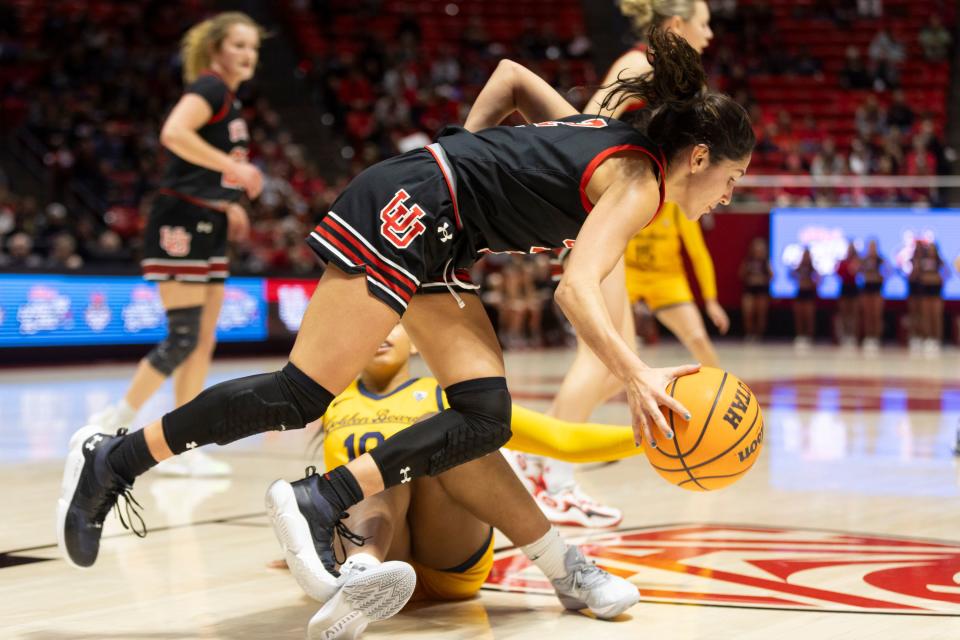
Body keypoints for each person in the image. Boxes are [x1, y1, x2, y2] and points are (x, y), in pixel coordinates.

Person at [57, 30, 754, 625]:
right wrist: (636, 374)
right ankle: (113, 461)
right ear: (698, 157)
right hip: (413, 205)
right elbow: (576, 289)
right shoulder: (640, 182)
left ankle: (321, 497)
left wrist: (465, 150)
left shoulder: (606, 136)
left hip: (445, 230)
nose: (729, 195)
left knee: (484, 417)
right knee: (302, 394)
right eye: (732, 179)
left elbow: (511, 78)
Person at [511, 0, 721, 529]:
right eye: (704, 21)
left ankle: (534, 457)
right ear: (676, 26)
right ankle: (545, 472)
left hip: (611, 215)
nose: (711, 32)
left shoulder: (657, 72)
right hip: (593, 212)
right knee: (608, 361)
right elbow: (585, 130)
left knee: (620, 363)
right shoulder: (639, 65)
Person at [299, 323, 650, 637]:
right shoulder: (333, 403)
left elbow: (560, 438)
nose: (381, 333)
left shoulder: (448, 394)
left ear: (418, 340)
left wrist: (650, 438)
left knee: (456, 432)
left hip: (450, 551)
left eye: (395, 324)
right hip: (379, 545)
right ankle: (360, 578)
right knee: (374, 468)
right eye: (372, 327)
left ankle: (566, 570)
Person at [84, 12, 264, 477]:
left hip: (208, 216)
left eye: (253, 47)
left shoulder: (230, 100)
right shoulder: (207, 88)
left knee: (204, 338)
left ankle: (180, 444)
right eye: (238, 45)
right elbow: (173, 133)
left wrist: (228, 202)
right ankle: (112, 423)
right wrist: (236, 169)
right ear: (215, 51)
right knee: (184, 335)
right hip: (180, 219)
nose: (248, 55)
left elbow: (204, 169)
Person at [739, 237, 772, 341]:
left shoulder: (766, 263)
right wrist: (750, 277)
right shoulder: (748, 261)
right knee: (748, 313)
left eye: (761, 249)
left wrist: (762, 279)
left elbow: (772, 276)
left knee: (760, 314)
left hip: (761, 291)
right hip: (749, 290)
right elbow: (740, 274)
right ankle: (749, 333)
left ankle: (759, 335)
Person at [917, 242, 947, 354]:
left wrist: (935, 278)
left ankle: (937, 339)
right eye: (929, 249)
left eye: (933, 249)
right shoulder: (922, 262)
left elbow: (946, 275)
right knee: (926, 316)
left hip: (936, 294)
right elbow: (918, 276)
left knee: (936, 316)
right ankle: (927, 338)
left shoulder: (940, 262)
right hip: (925, 293)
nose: (931, 251)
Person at [859, 239, 885, 352]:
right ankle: (868, 337)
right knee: (867, 314)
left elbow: (888, 271)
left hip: (877, 291)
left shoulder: (881, 259)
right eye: (870, 246)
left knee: (876, 314)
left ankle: (876, 337)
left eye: (874, 246)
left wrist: (879, 277)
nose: (872, 248)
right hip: (866, 290)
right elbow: (857, 271)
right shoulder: (864, 260)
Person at [791, 247, 818, 349]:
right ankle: (800, 335)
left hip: (809, 294)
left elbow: (818, 280)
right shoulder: (799, 267)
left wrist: (812, 283)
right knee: (799, 315)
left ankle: (809, 335)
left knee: (808, 315)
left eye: (808, 255)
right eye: (804, 255)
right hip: (800, 293)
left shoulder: (812, 268)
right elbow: (791, 275)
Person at [835, 241, 861, 348]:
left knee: (854, 314)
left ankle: (853, 336)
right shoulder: (842, 262)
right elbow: (839, 273)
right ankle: (845, 335)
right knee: (844, 313)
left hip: (854, 289)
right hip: (844, 288)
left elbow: (858, 272)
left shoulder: (858, 261)